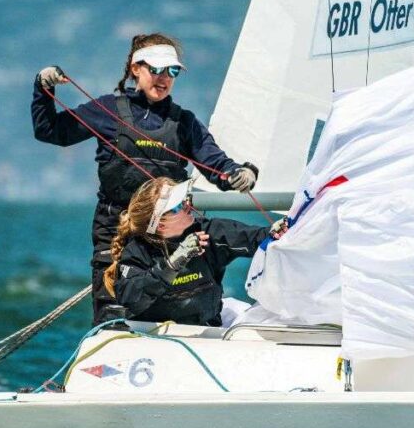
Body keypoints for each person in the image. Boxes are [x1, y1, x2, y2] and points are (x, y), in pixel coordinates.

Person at [32, 33, 258, 324]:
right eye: (156, 69)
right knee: (114, 315)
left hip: (166, 237)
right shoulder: (109, 110)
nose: (164, 78)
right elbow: (51, 131)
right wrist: (43, 88)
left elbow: (218, 166)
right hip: (114, 233)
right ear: (135, 69)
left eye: (172, 71)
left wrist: (243, 172)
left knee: (180, 310)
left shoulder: (184, 122)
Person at [103, 177, 285, 327]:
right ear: (160, 224)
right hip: (154, 333)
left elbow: (255, 238)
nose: (188, 206)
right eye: (178, 206)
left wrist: (275, 233)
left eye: (185, 199)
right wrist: (172, 264)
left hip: (208, 329)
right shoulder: (136, 251)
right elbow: (129, 297)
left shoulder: (208, 232)